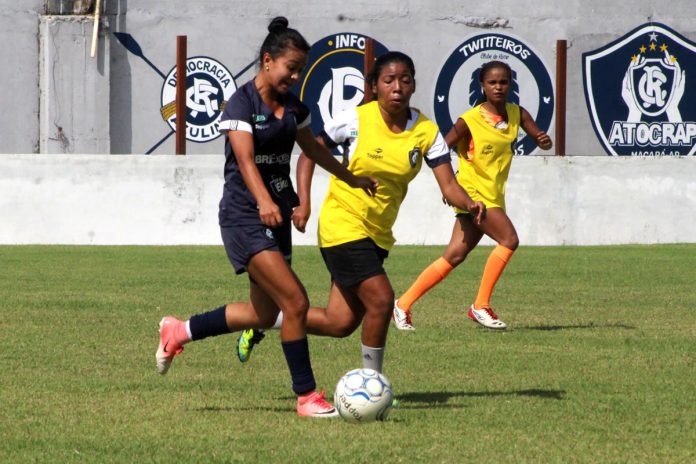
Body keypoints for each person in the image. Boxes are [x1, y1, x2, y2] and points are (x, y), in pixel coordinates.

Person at [154, 16, 377, 418]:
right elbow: (243, 159)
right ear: (267, 60)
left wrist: (352, 178)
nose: (295, 75)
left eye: (300, 69)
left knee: (263, 314)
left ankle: (179, 330)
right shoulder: (242, 102)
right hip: (244, 216)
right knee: (296, 301)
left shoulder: (296, 108)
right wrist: (262, 201)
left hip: (276, 214)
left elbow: (315, 151)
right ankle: (307, 396)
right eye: (291, 67)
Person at [235, 51, 485, 373]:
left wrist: (469, 203)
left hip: (378, 234)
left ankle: (266, 321)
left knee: (339, 323)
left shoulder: (425, 131)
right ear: (374, 86)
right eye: (389, 80)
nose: (397, 87)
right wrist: (304, 203)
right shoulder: (354, 119)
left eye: (405, 80)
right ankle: (372, 382)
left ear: (413, 87)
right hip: (343, 224)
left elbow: (449, 187)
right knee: (381, 299)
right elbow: (309, 154)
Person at [392, 60, 553, 331]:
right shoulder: (469, 120)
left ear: (510, 84)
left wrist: (541, 139)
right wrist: (450, 187)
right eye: (492, 82)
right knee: (509, 239)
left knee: (454, 255)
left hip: (494, 194)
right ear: (482, 86)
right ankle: (480, 305)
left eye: (503, 82)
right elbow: (440, 148)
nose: (498, 87)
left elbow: (536, 133)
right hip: (474, 195)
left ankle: (402, 305)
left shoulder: (517, 113)